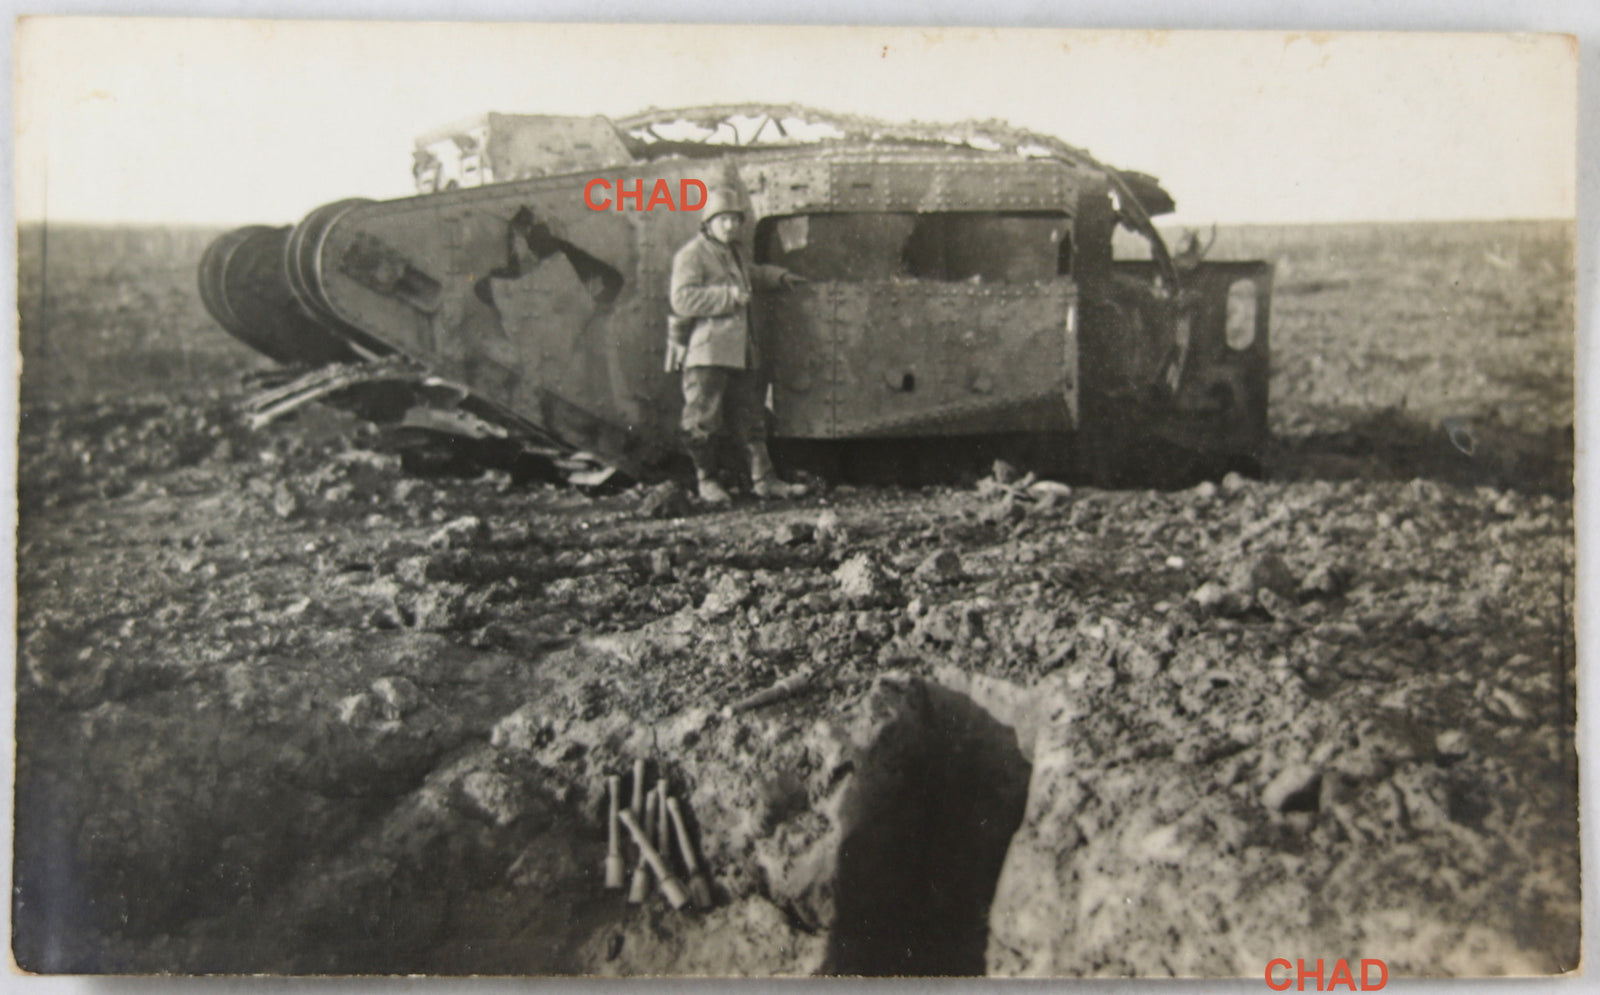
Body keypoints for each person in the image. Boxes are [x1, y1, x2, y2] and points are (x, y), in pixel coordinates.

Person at [666, 187, 808, 505]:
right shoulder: (692, 254)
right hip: (708, 353)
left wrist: (778, 277)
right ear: (708, 222)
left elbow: (751, 275)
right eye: (723, 220)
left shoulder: (734, 253)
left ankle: (764, 481)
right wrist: (728, 297)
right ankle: (707, 481)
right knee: (702, 422)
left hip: (741, 352)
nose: (730, 226)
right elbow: (682, 299)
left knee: (751, 419)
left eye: (734, 220)